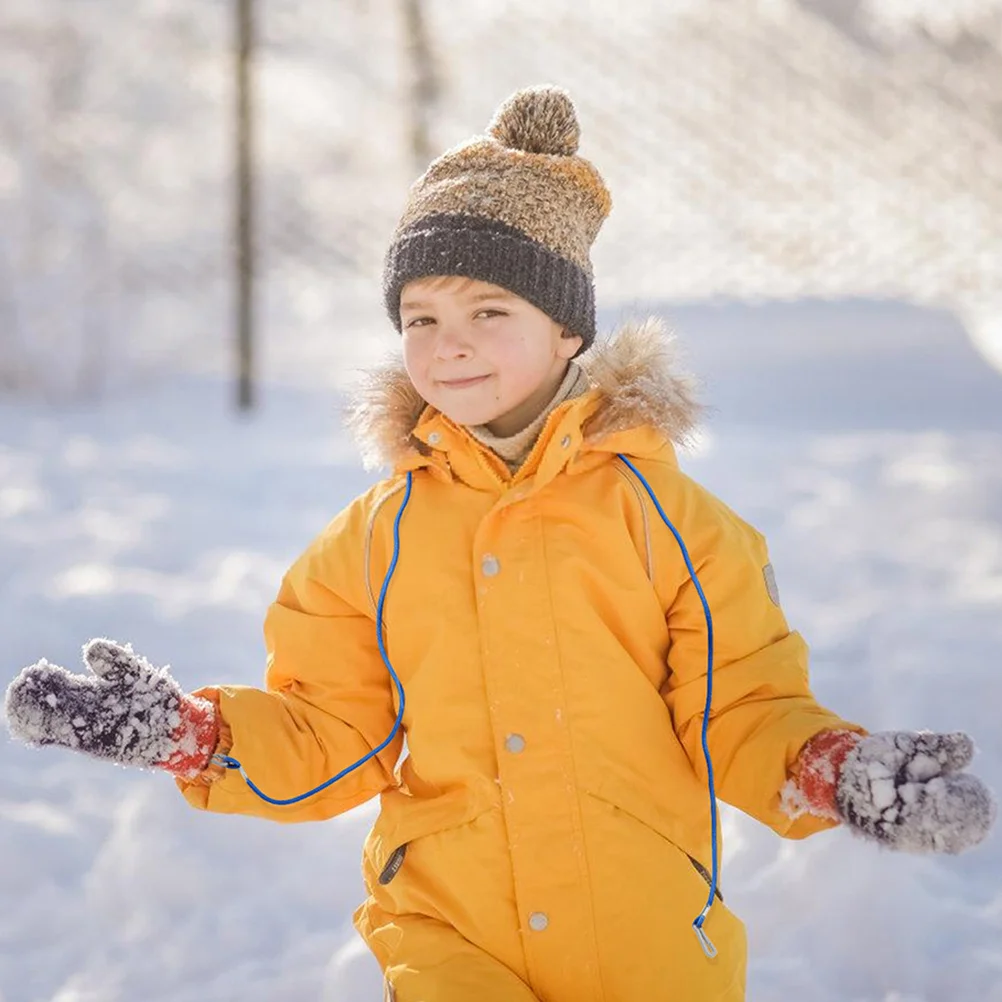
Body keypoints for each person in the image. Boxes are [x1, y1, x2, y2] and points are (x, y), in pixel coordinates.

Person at [5, 86, 995, 1002]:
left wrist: (828, 765)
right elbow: (333, 737)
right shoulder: (373, 543)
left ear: (567, 330)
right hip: (448, 933)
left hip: (642, 936)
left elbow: (736, 708)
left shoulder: (671, 524)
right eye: (421, 317)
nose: (449, 344)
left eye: (490, 311)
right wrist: (195, 737)